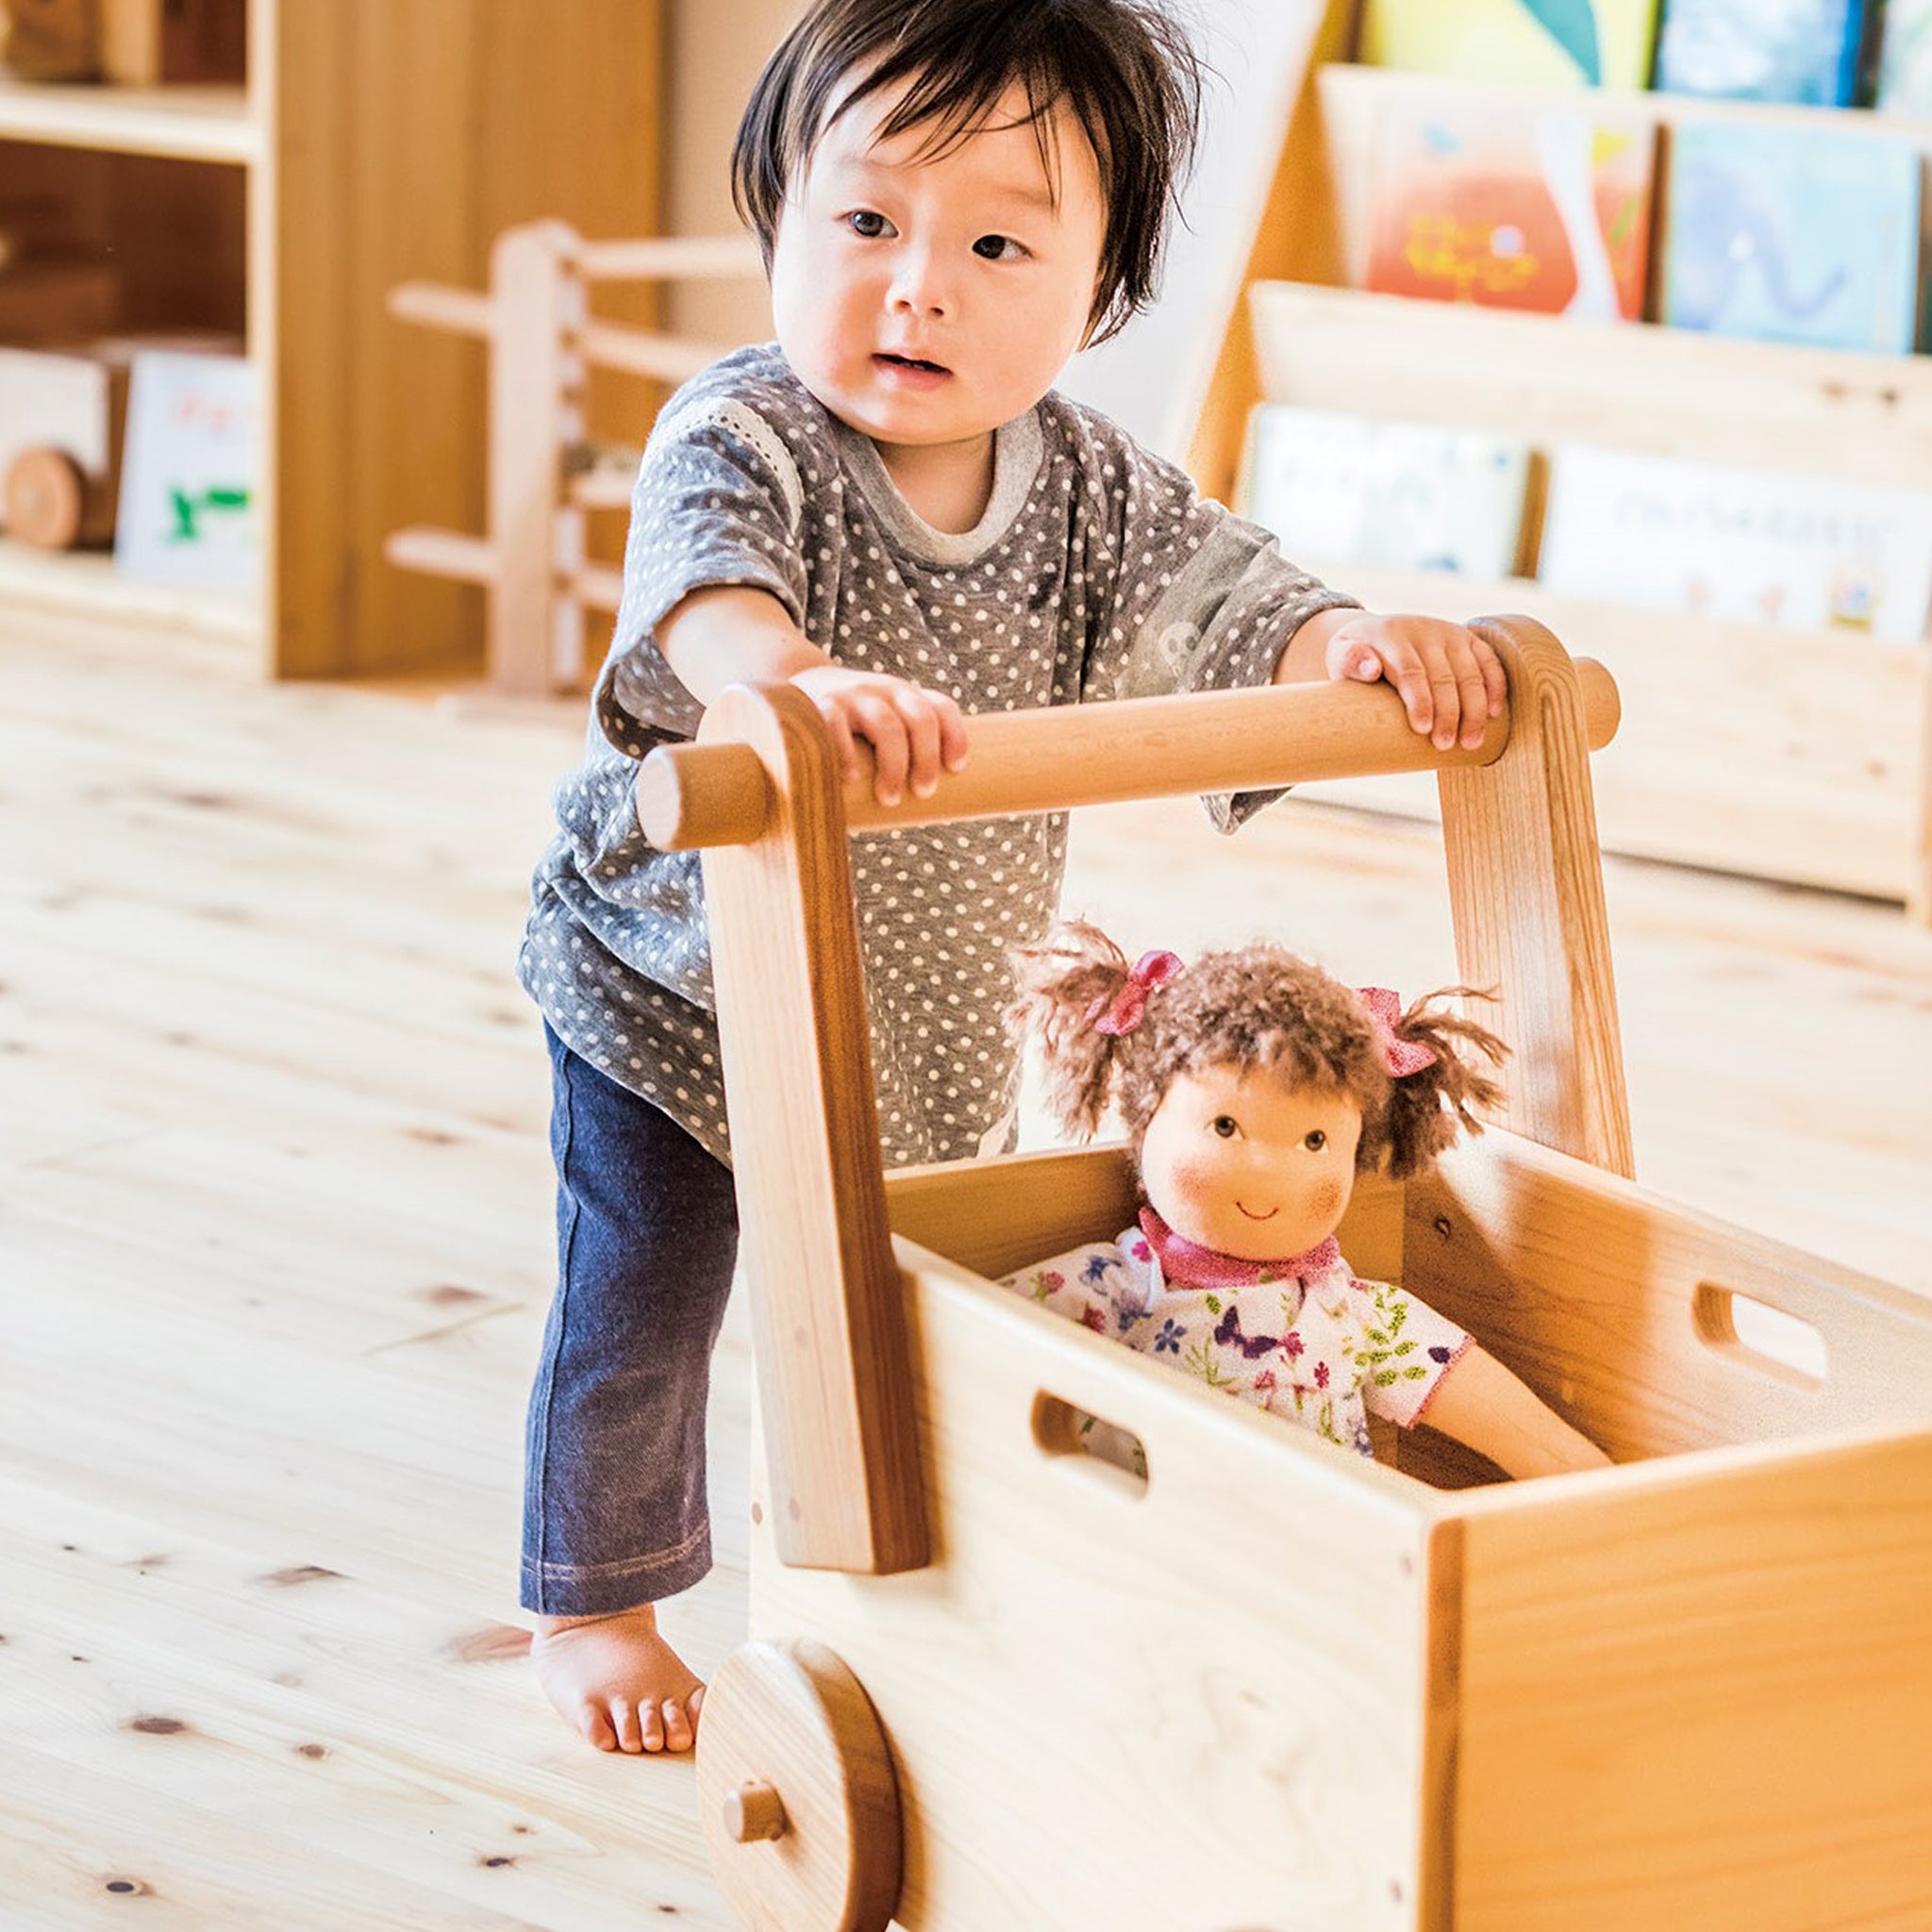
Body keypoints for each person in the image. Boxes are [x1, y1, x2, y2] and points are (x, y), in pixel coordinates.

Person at [517, 0, 1508, 1757]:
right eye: (867, 224)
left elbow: (1233, 597)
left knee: (906, 1303)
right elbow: (707, 602)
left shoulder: (1086, 483)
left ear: (1099, 287)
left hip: (915, 1003)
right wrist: (798, 682)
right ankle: (594, 1601)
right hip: (676, 991)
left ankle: (921, 1565)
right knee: (648, 1301)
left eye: (994, 243)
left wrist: (1347, 638)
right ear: (779, 219)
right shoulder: (737, 434)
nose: (919, 286)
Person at [1000, 921, 1612, 1477]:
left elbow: (1529, 1437)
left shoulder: (1353, 1315)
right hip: (1160, 1560)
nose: (1267, 1171)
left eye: (1315, 1140)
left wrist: (1595, 1487)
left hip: (1326, 1566)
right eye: (1224, 1127)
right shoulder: (1124, 1289)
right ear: (1148, 1117)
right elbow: (975, 1342)